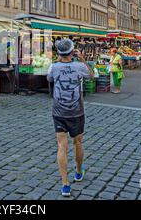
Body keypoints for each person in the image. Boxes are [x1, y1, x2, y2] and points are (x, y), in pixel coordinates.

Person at [47, 39, 94, 197]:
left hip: (59, 112)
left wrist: (58, 62)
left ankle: (65, 184)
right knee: (78, 142)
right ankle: (79, 171)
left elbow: (50, 79)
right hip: (76, 111)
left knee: (62, 146)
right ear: (73, 51)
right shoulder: (79, 66)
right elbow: (92, 76)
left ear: (59, 52)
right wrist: (83, 60)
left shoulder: (54, 67)